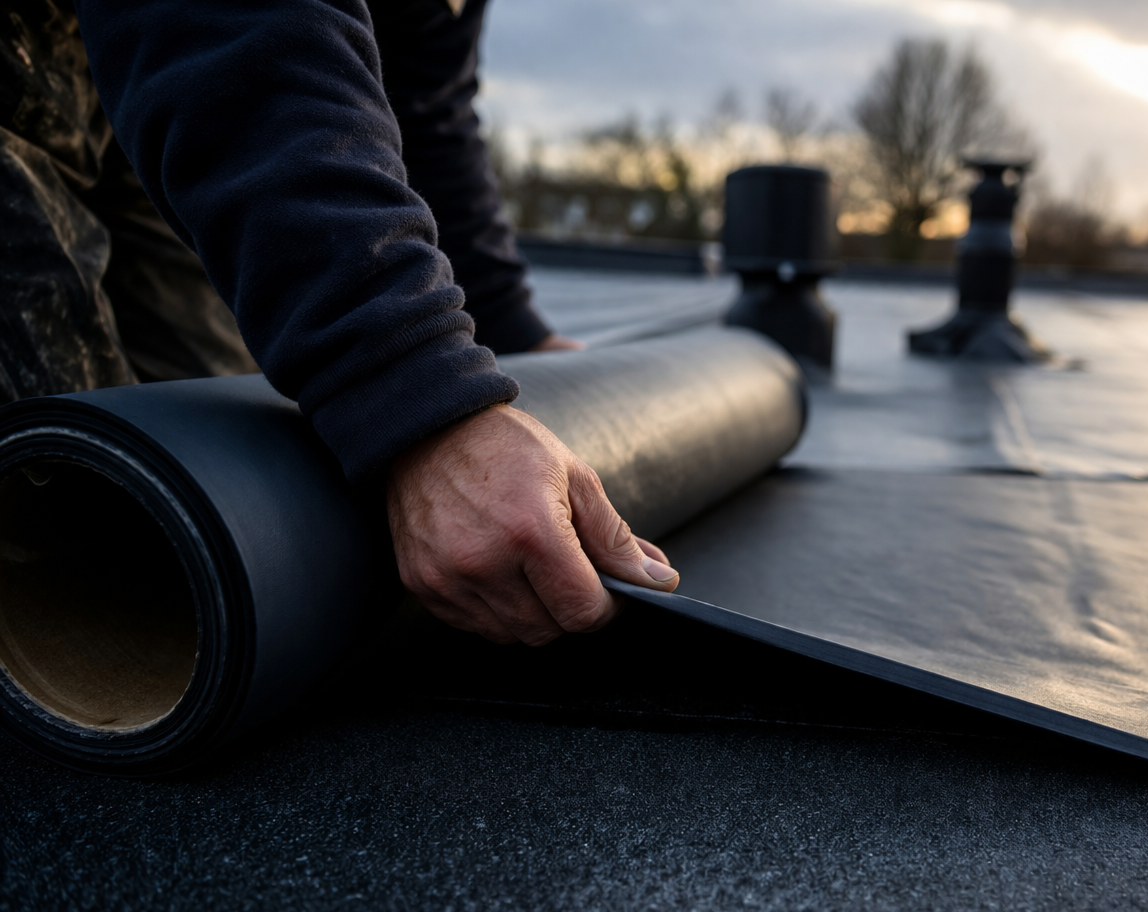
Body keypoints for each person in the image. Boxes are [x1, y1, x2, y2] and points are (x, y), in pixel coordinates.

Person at [0, 0, 680, 646]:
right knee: (57, 494)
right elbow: (241, 26)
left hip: (165, 67)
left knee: (207, 478)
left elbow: (425, 107)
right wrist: (414, 394)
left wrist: (515, 327)